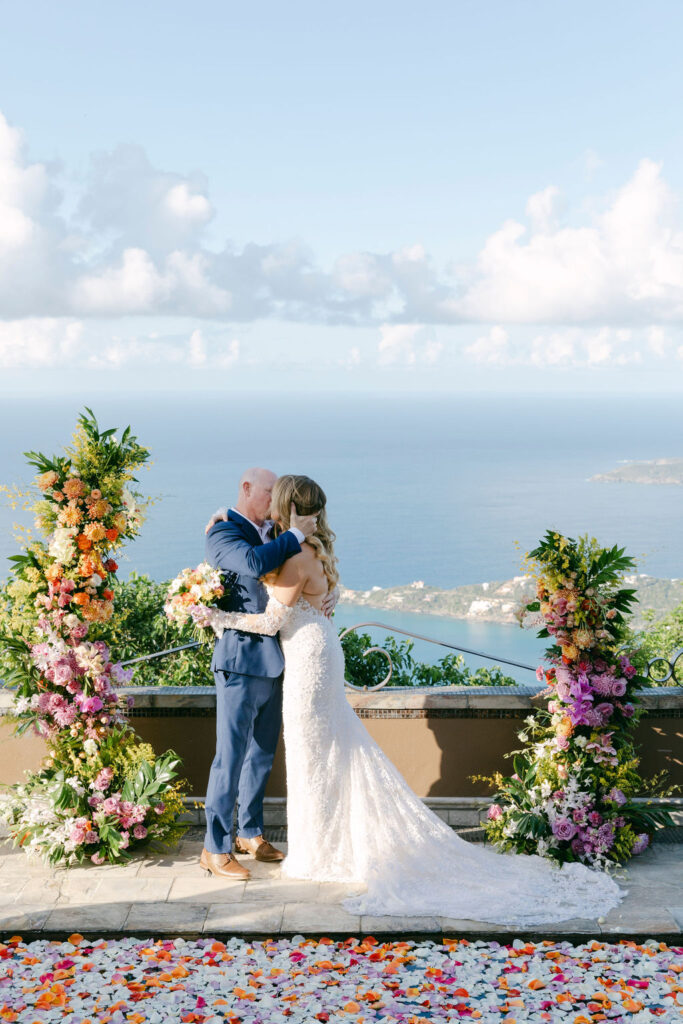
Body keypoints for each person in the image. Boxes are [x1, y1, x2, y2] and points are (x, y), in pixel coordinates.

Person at [196, 474, 624, 926]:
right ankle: (315, 843)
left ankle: (322, 850)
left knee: (314, 757)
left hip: (306, 661)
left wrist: (214, 616)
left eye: (273, 498)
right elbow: (279, 572)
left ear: (284, 506)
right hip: (315, 653)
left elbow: (268, 621)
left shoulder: (293, 553)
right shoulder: (302, 548)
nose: (267, 503)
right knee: (328, 753)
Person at [200, 467, 334, 881]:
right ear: (245, 489)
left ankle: (251, 833)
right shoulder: (223, 533)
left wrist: (325, 599)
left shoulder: (275, 531)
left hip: (280, 659)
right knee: (230, 756)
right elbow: (255, 563)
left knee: (261, 753)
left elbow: (307, 575)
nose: (275, 501)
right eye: (268, 492)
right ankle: (215, 847)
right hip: (239, 659)